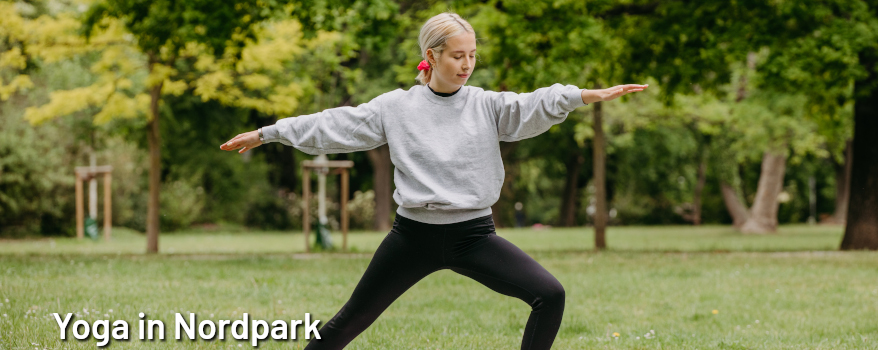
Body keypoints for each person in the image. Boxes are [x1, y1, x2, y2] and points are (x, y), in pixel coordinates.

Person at [220, 12, 646, 350]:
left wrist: (581, 95)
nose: (467, 64)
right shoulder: (396, 107)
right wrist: (268, 132)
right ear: (433, 55)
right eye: (458, 55)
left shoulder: (486, 105)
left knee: (550, 295)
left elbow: (531, 104)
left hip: (475, 235)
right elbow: (334, 124)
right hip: (412, 237)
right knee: (348, 322)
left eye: (472, 55)